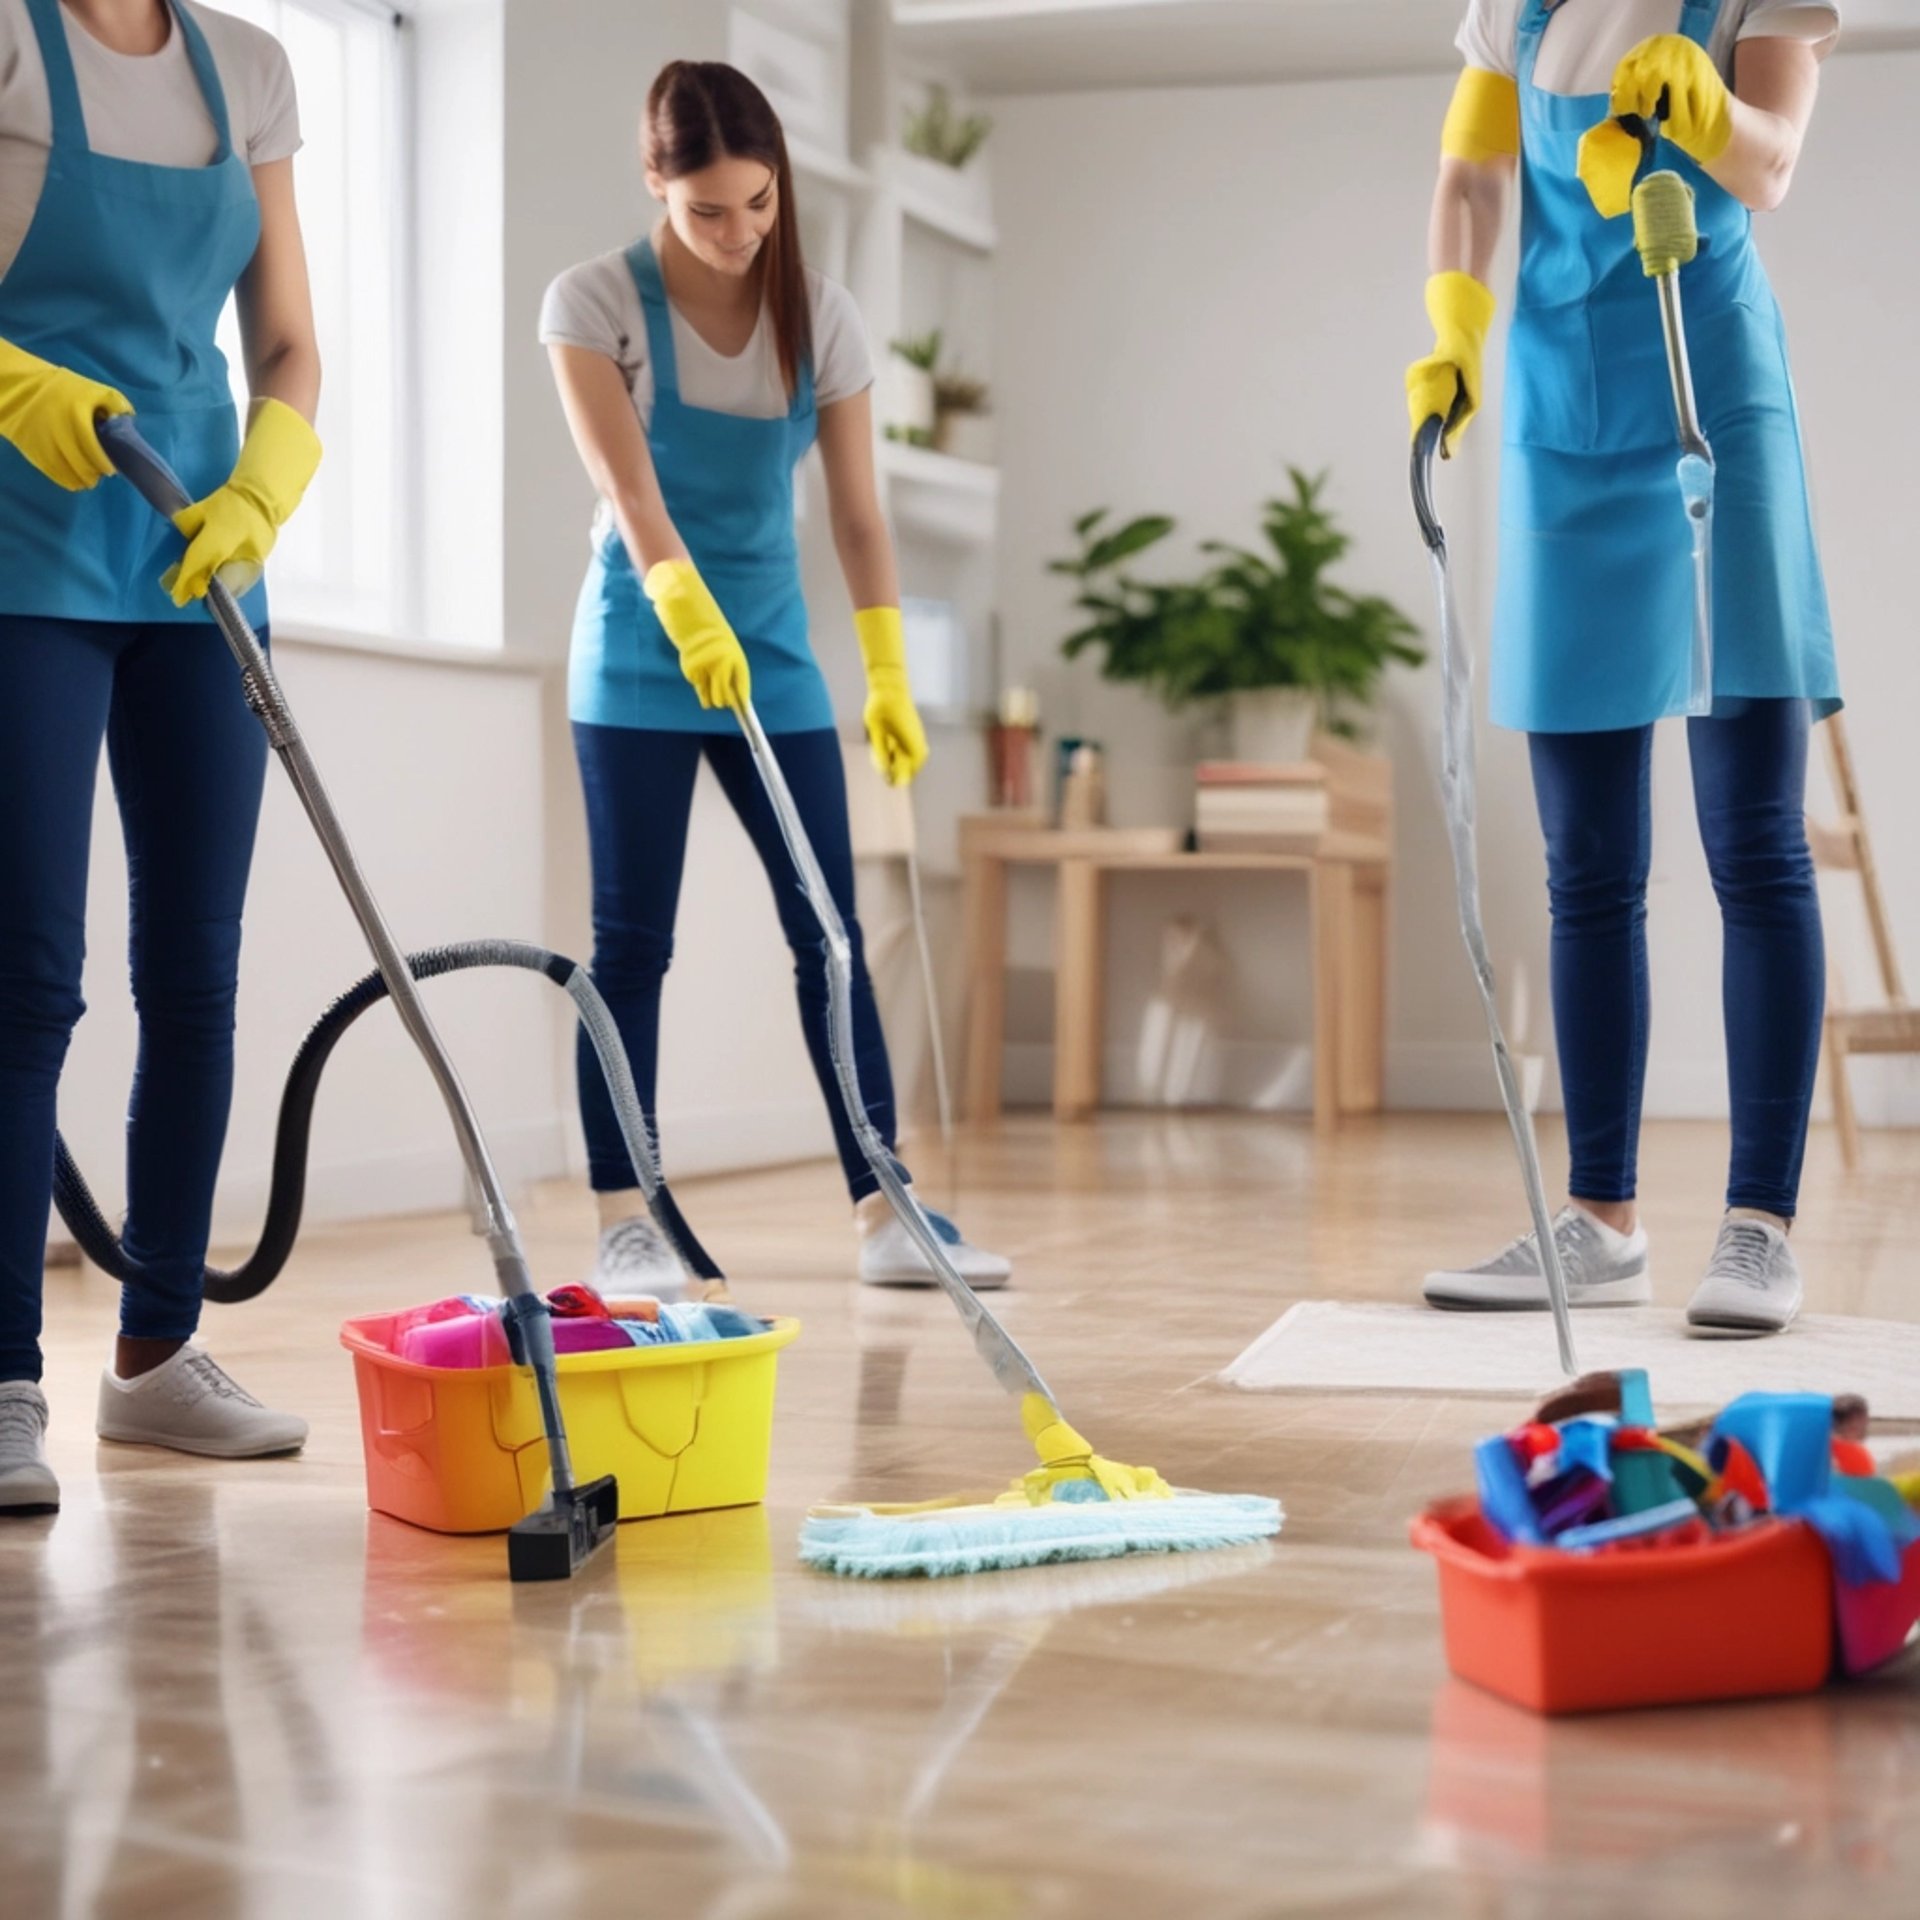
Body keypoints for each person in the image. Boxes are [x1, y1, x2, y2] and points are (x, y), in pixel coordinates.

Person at [1408, 0, 1841, 1334]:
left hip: (1713, 398)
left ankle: (1759, 1228)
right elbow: (1474, 172)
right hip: (1558, 415)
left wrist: (1704, 107)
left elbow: (1770, 163)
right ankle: (1601, 1222)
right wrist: (1456, 331)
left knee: (1753, 835)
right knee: (1586, 860)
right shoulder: (1514, 10)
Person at [542, 60, 1009, 1298]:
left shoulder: (823, 312)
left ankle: (887, 1205)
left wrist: (889, 674)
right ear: (655, 180)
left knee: (833, 934)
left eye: (759, 203)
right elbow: (629, 494)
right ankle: (624, 1217)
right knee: (631, 945)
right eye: (708, 209)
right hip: (644, 651)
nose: (741, 233)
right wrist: (685, 613)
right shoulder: (594, 304)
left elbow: (858, 515)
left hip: (780, 660)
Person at [0, 0, 322, 1514]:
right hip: (23, 549)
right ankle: (5, 1379)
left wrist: (268, 481)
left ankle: (156, 1358)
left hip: (198, 553)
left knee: (195, 972)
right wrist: (18, 385)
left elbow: (286, 341)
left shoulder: (248, 65)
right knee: (27, 977)